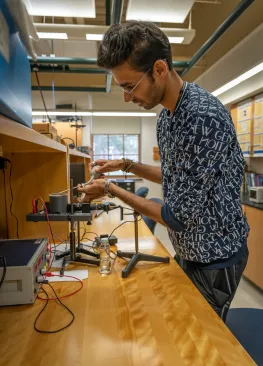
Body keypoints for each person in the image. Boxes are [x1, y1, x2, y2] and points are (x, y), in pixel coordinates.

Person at [77, 20, 250, 322]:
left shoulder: (201, 118)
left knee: (202, 343)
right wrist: (125, 165)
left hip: (216, 257)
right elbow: (175, 177)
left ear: (159, 69)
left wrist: (109, 188)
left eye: (130, 86)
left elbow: (177, 216)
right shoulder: (167, 118)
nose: (127, 97)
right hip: (190, 250)